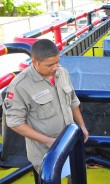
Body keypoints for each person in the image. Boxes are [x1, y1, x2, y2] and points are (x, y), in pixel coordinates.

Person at [2, 39, 89, 174]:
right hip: (46, 152)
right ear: (35, 62)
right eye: (50, 65)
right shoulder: (20, 86)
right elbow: (15, 123)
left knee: (75, 179)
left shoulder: (62, 72)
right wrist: (48, 141)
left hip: (70, 142)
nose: (55, 67)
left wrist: (82, 127)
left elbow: (73, 101)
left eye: (57, 62)